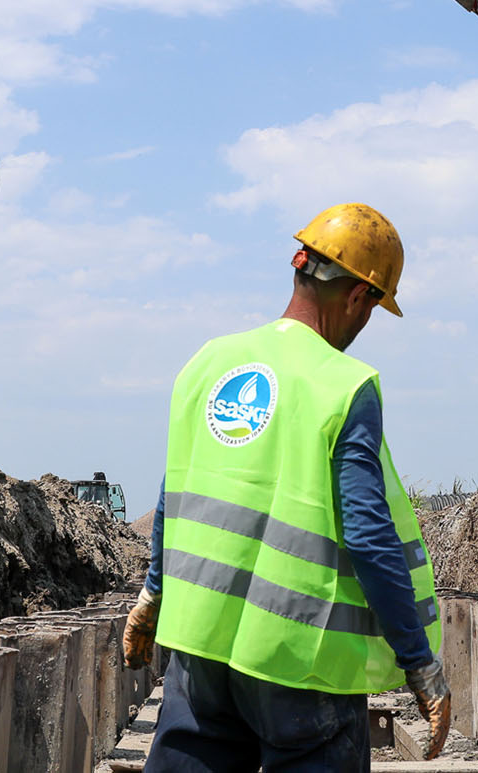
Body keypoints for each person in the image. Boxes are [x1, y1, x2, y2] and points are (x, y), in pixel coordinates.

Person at [123, 203, 453, 771]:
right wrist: (418, 662)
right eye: (371, 309)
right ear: (358, 296)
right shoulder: (344, 385)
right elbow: (368, 535)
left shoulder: (209, 362)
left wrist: (153, 595)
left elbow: (176, 494)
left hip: (199, 649)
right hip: (300, 664)